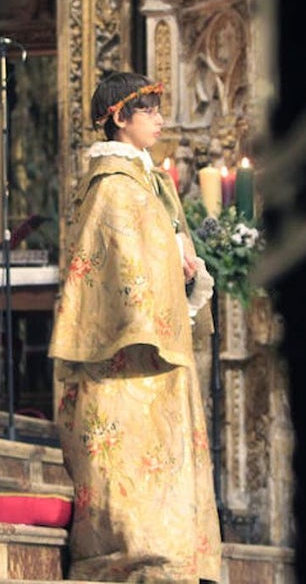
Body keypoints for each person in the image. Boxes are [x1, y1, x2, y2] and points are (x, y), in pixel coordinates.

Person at [50, 72, 222, 582]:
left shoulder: (149, 181)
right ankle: (133, 554)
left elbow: (163, 247)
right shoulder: (113, 186)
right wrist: (170, 261)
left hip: (159, 345)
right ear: (119, 118)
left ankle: (178, 554)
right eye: (148, 110)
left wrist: (184, 265)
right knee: (126, 460)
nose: (160, 120)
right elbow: (117, 263)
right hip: (125, 349)